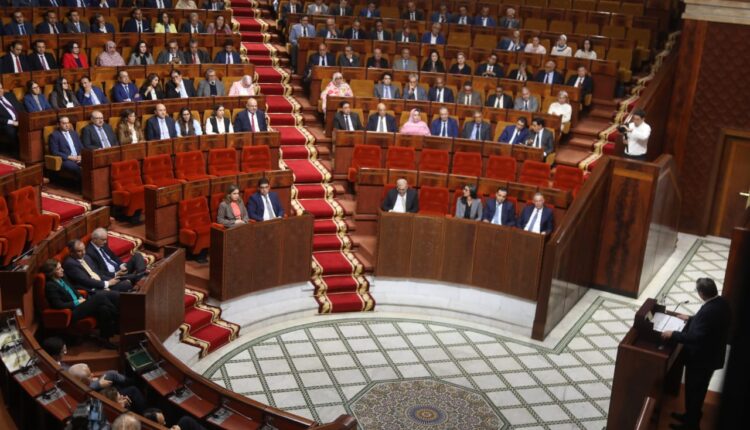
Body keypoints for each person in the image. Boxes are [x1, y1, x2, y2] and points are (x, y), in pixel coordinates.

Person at [661, 278, 731, 430]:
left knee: (694, 393)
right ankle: (690, 416)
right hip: (711, 357)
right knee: (697, 392)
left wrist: (673, 334)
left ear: (701, 293)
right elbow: (708, 325)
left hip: (701, 361)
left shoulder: (708, 311)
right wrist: (691, 319)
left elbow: (696, 337)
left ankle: (691, 425)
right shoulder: (721, 302)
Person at [41, 259, 119, 347]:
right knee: (100, 296)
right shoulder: (50, 286)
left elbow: (73, 290)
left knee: (104, 309)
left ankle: (105, 339)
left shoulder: (62, 278)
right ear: (52, 272)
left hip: (80, 305)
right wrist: (77, 302)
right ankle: (118, 316)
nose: (62, 269)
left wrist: (80, 297)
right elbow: (58, 305)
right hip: (73, 312)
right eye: (59, 269)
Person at [68, 363, 146, 414]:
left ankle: (133, 379)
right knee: (133, 389)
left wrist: (96, 383)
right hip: (105, 401)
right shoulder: (81, 393)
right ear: (81, 381)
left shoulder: (75, 382)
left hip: (105, 393)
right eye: (89, 375)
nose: (92, 374)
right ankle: (145, 413)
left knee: (111, 374)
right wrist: (98, 384)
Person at [63, 240, 133, 295]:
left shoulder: (86, 257)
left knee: (127, 282)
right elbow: (86, 281)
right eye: (79, 251)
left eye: (84, 249)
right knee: (122, 289)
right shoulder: (70, 264)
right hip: (92, 289)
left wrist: (112, 278)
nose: (83, 252)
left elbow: (98, 272)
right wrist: (107, 283)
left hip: (101, 283)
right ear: (71, 253)